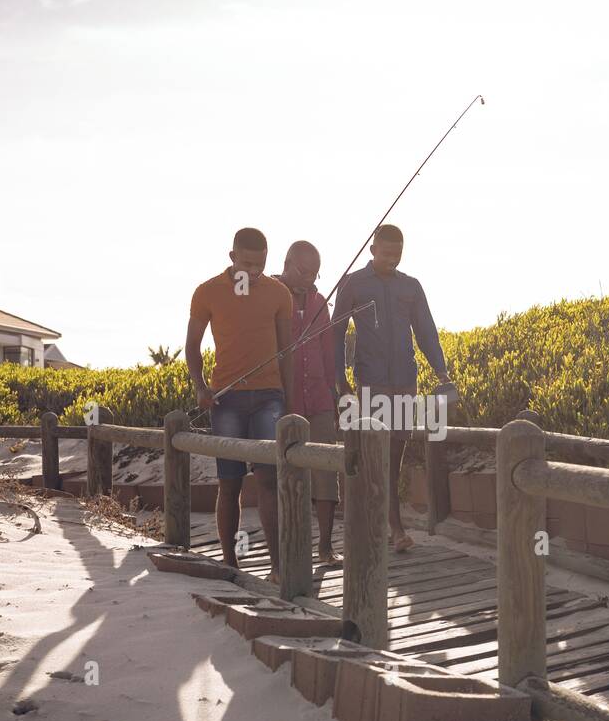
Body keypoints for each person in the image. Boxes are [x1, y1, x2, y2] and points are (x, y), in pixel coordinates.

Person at [331, 224, 451, 552]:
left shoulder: (411, 287)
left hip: (404, 380)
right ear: (373, 250)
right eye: (386, 254)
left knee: (395, 454)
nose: (392, 260)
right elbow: (336, 332)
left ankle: (386, 522)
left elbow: (426, 330)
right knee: (374, 453)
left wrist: (441, 371)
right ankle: (392, 527)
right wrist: (340, 381)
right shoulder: (353, 284)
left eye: (397, 254)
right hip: (370, 381)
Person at [185, 227, 294, 581]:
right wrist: (201, 387)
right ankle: (230, 561)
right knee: (229, 484)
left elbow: (286, 351)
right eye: (247, 263)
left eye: (260, 264)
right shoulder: (207, 292)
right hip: (226, 398)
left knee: (267, 480)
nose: (254, 271)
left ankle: (278, 567)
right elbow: (192, 346)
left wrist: (288, 401)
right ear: (231, 257)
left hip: (269, 398)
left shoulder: (280, 294)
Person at [278, 240, 342, 565]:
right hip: (284, 399)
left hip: (319, 397)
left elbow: (329, 351)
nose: (310, 280)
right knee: (287, 473)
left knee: (325, 470)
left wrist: (334, 391)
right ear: (287, 262)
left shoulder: (321, 302)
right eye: (304, 272)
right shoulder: (271, 293)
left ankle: (326, 547)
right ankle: (291, 546)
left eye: (315, 274)